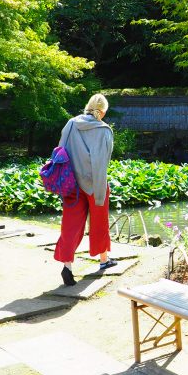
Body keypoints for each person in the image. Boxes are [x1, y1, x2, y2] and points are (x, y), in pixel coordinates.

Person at [54, 93, 115, 285]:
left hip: (71, 183)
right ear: (103, 111)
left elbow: (60, 151)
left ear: (87, 106)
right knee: (99, 221)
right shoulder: (104, 130)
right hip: (95, 183)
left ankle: (67, 266)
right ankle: (104, 260)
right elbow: (103, 161)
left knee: (70, 225)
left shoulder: (71, 124)